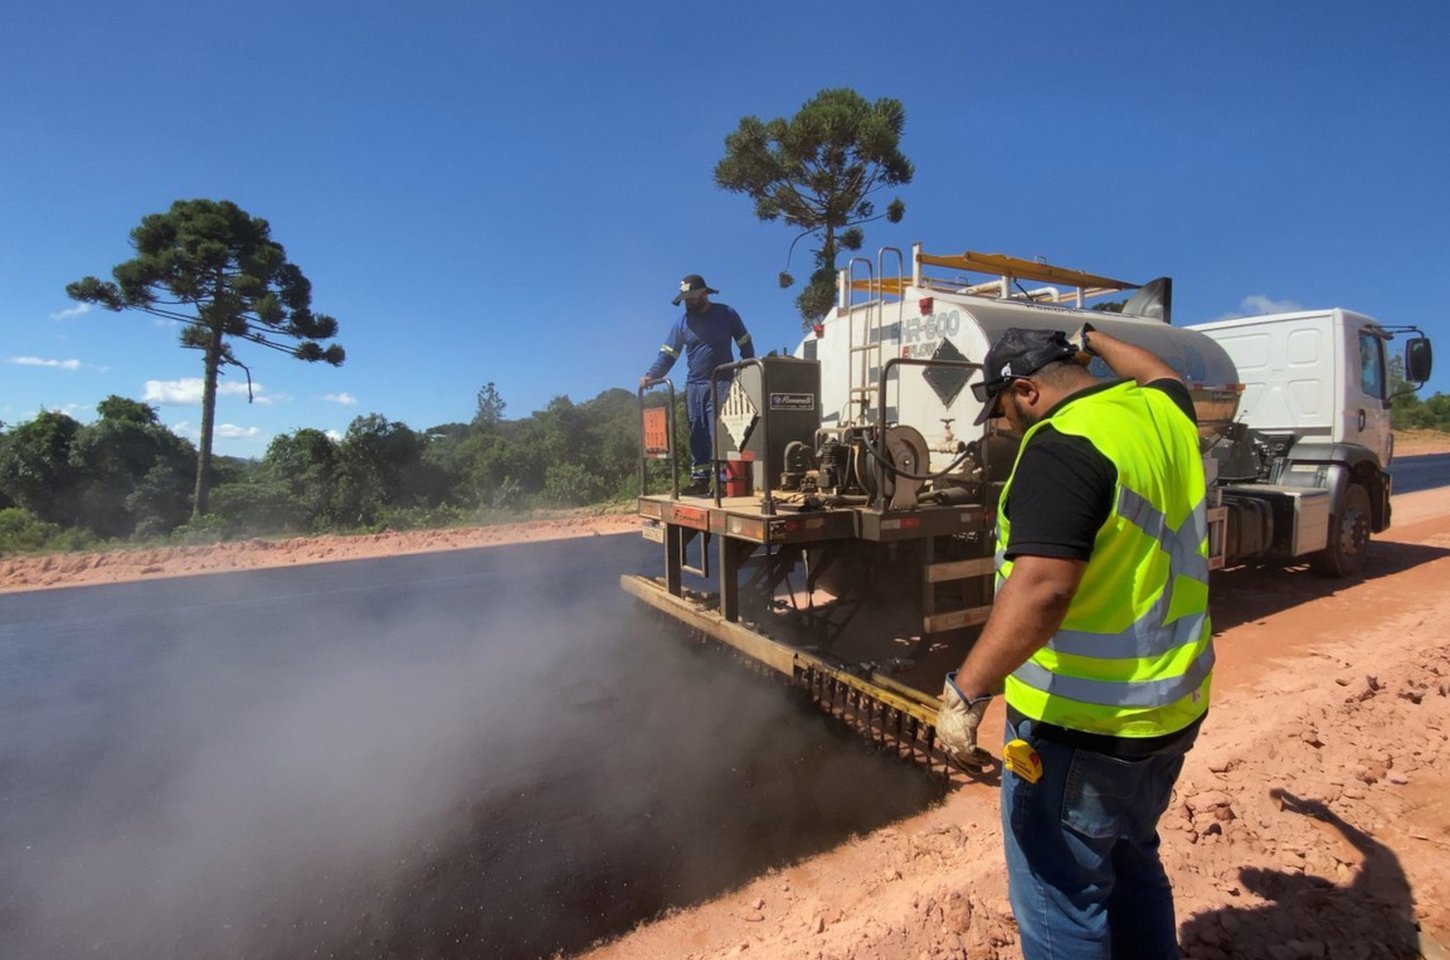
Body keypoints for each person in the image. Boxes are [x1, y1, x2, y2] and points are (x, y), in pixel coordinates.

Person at [935, 324, 1214, 960]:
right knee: (1134, 862)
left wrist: (966, 692)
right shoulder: (1162, 414)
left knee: (1061, 894)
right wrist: (1093, 334)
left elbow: (1042, 591)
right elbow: (1159, 369)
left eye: (1002, 410)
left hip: (1080, 730)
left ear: (1027, 390)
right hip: (1170, 715)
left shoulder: (1060, 447)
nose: (1003, 427)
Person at [640, 274, 755, 496]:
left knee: (718, 431)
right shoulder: (682, 323)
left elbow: (745, 342)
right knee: (697, 432)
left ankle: (723, 481)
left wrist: (746, 368)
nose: (688, 302)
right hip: (694, 385)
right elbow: (668, 354)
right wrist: (651, 375)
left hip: (721, 380)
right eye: (685, 299)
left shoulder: (726, 313)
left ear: (703, 294)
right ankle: (700, 480)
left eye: (691, 298)